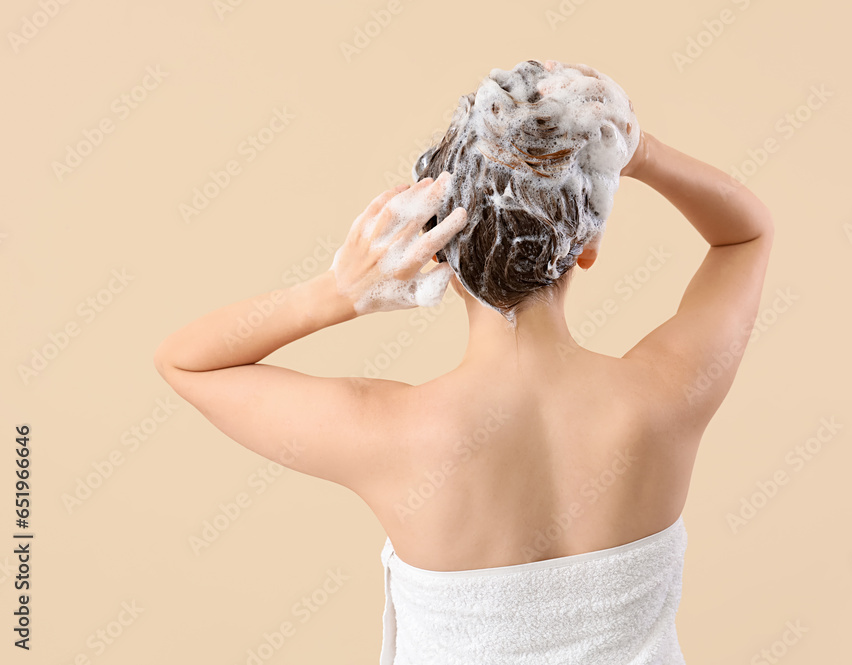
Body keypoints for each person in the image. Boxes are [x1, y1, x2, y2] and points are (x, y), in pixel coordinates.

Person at [153, 60, 773, 664]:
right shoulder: (665, 395)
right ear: (586, 248)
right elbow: (746, 235)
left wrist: (339, 292)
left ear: (439, 253)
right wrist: (637, 152)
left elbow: (188, 363)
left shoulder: (390, 433)